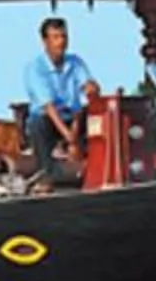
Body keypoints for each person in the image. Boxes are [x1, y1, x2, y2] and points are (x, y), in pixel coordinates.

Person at [22, 16, 99, 178]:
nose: (61, 42)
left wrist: (93, 88)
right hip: (49, 120)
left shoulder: (76, 62)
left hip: (73, 118)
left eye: (64, 36)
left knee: (99, 120)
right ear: (45, 41)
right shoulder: (35, 68)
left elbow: (84, 98)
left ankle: (99, 168)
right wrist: (70, 139)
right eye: (56, 37)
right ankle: (46, 175)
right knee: (38, 123)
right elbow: (48, 107)